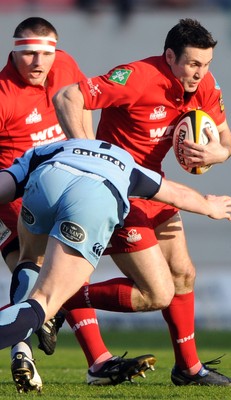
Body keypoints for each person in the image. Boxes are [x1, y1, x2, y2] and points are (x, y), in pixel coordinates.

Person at [53, 18, 231, 386]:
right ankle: (63, 298)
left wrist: (215, 155)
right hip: (120, 196)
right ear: (170, 56)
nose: (201, 73)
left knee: (184, 274)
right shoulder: (137, 76)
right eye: (193, 64)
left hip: (155, 188)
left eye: (207, 65)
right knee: (158, 293)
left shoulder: (203, 85)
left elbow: (226, 141)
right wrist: (89, 156)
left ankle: (188, 369)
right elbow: (68, 97)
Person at [0, 16, 151, 393]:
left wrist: (82, 149)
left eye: (44, 54)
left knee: (49, 271)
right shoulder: (3, 95)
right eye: (29, 54)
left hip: (66, 180)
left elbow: (81, 102)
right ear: (13, 52)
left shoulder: (63, 64)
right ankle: (69, 355)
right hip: (17, 192)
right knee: (47, 268)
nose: (38, 62)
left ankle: (38, 350)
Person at [0, 138, 231, 370]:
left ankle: (24, 345)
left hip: (48, 179)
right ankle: (47, 314)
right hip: (93, 195)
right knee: (45, 302)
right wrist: (209, 207)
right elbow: (176, 194)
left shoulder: (46, 150)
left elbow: (6, 185)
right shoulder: (128, 164)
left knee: (30, 260)